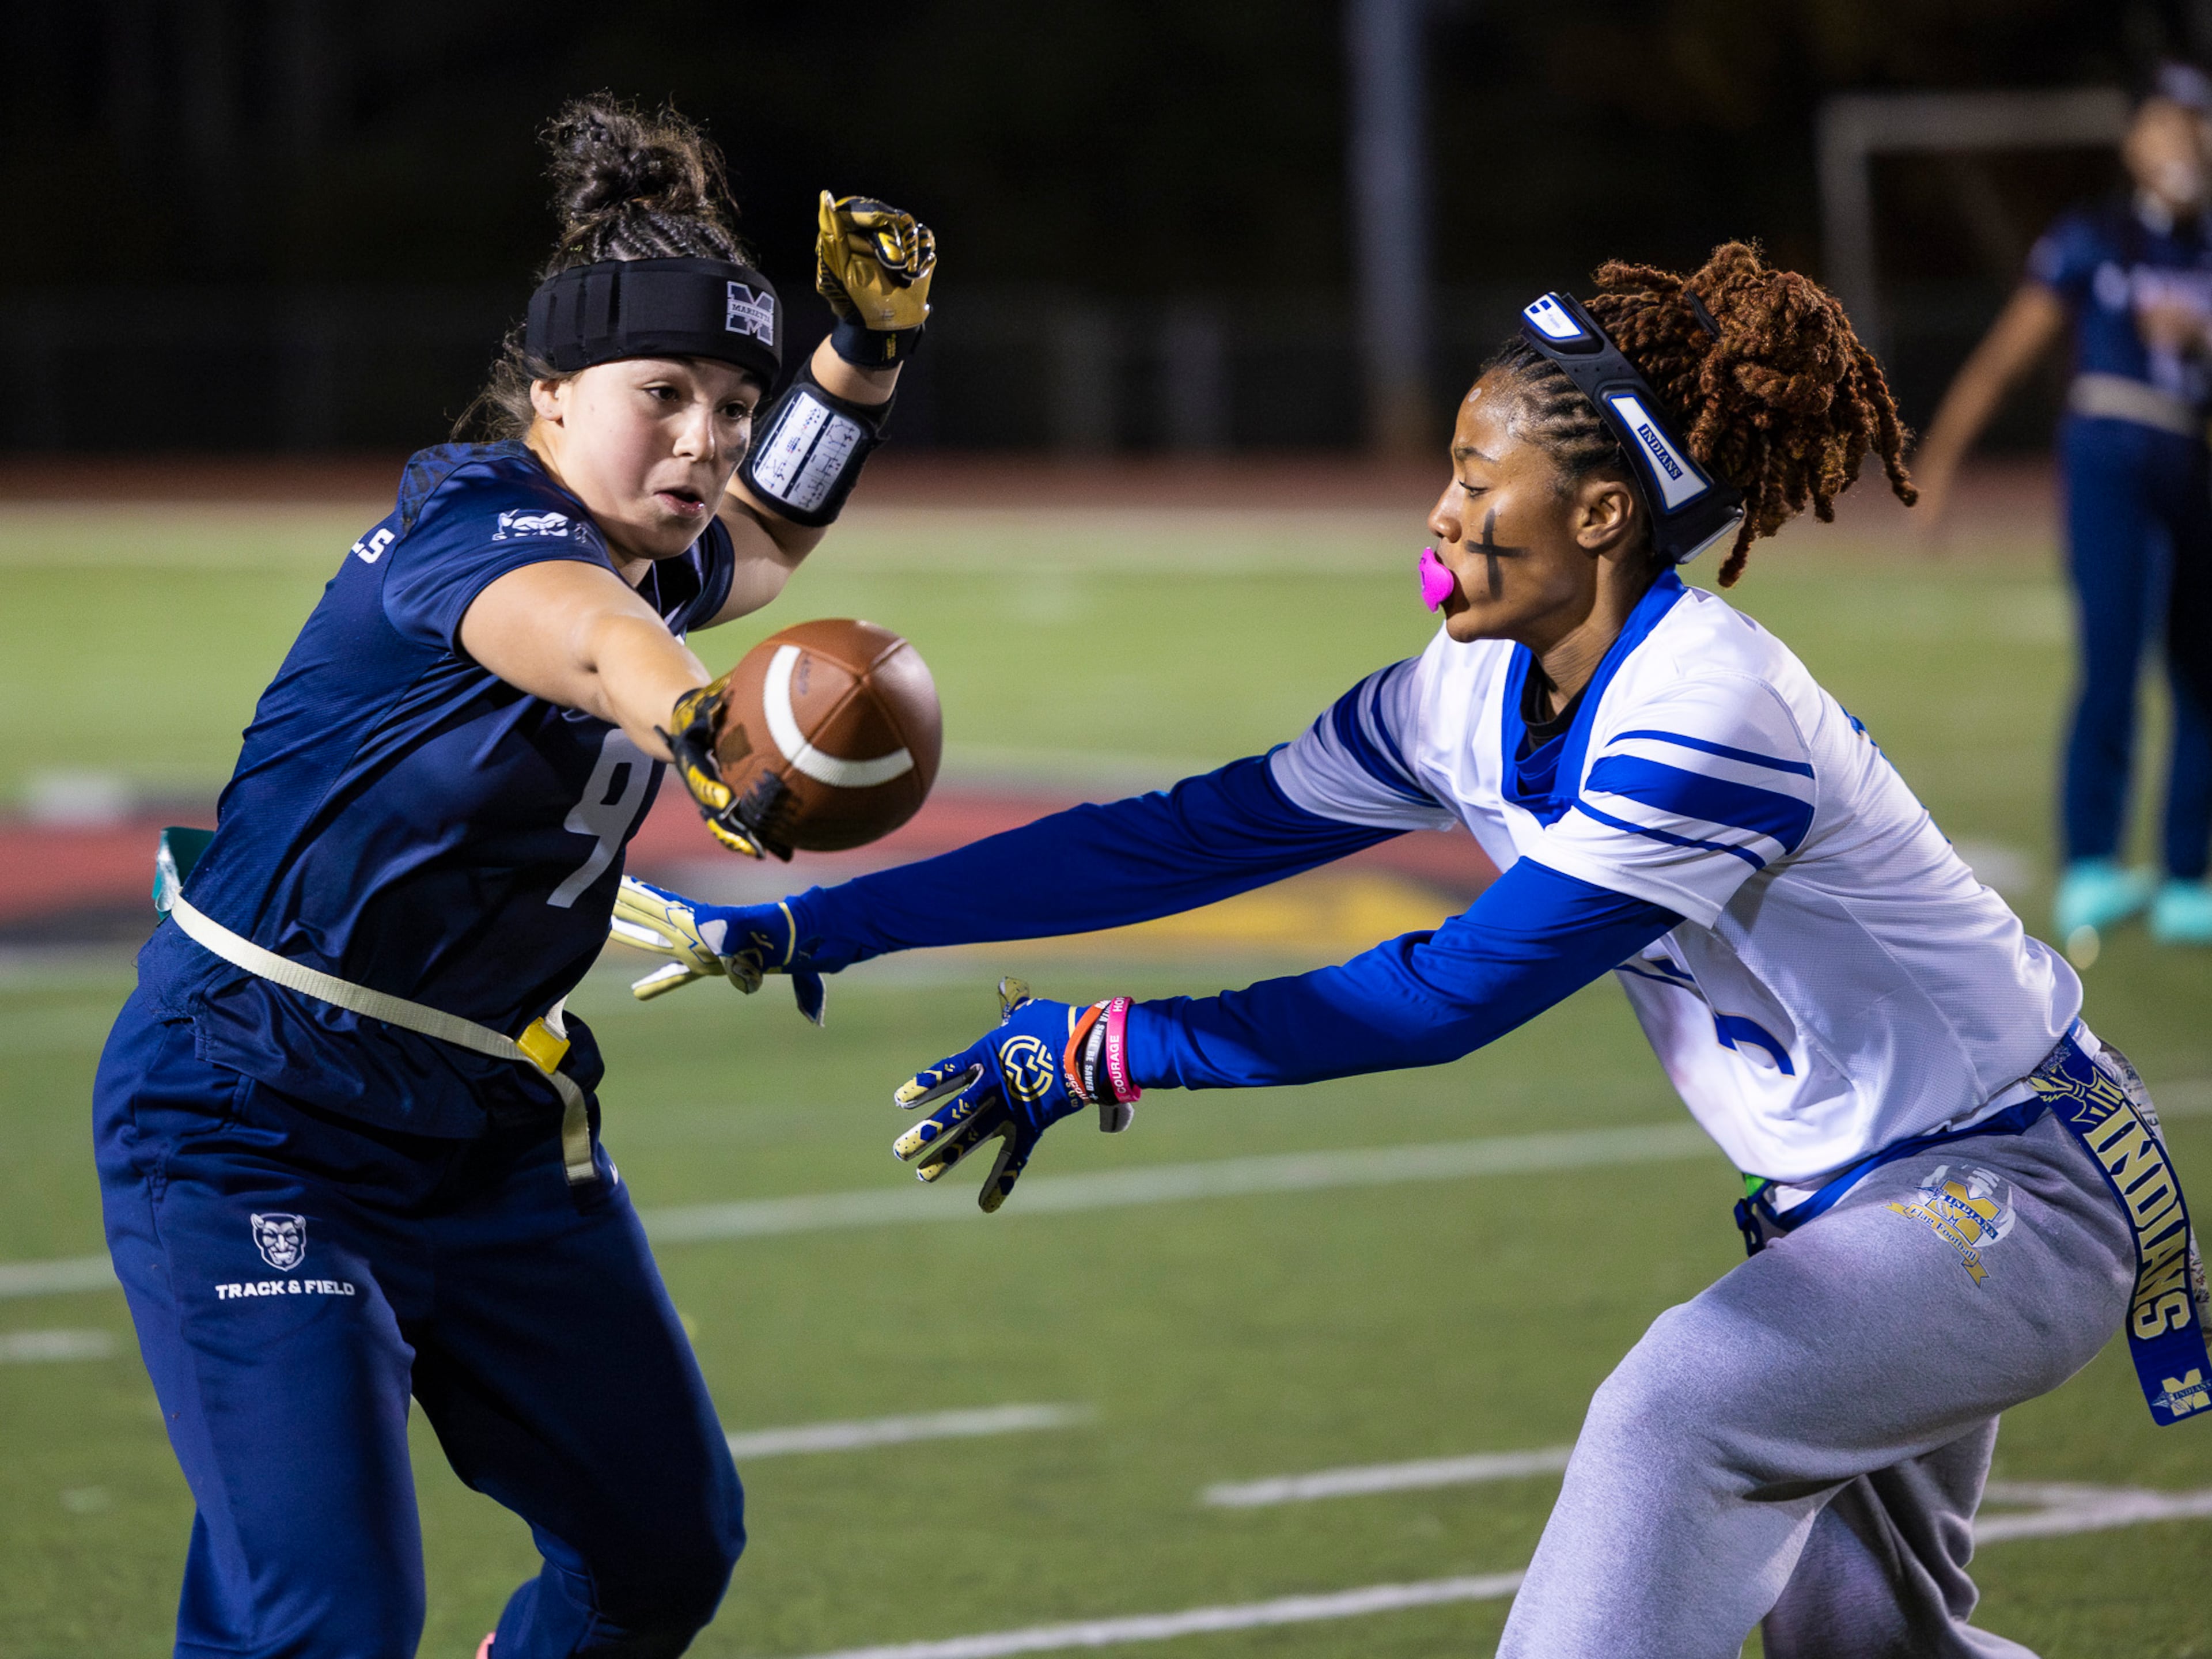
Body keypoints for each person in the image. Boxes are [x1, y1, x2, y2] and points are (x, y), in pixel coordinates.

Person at [630, 244, 2210, 1658]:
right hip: (1865, 1203)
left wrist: (1112, 1046)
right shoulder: (1462, 695)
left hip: (2008, 1185)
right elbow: (1177, 837)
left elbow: (1448, 993)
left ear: (1600, 513)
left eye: (1476, 471)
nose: (1441, 511)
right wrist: (826, 921)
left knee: (1680, 1406)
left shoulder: (1707, 715)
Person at [93, 97, 934, 1657]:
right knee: (327, 1618)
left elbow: (766, 534)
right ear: (548, 395)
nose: (704, 438)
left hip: (491, 1126)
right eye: (662, 393)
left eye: (732, 403)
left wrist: (858, 363)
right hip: (257, 1115)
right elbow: (584, 635)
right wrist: (693, 713)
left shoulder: (649, 546)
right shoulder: (472, 523)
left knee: (661, 1552)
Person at [1912, 65, 2212, 950]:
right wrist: (1941, 459)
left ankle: (2188, 874)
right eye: (2168, 123)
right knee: (2112, 656)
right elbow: (2010, 352)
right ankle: (2093, 864)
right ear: (2134, 141)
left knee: (2203, 671)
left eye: (2199, 124)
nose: (2186, 141)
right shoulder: (2096, 237)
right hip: (2110, 455)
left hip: (2193, 462)